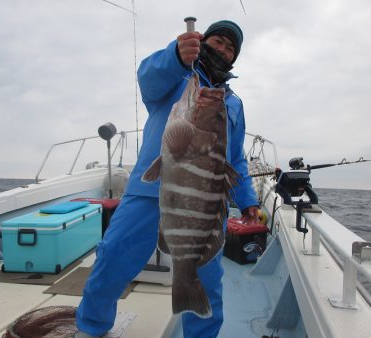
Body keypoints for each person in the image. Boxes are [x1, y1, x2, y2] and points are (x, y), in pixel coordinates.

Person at [75, 20, 260, 338]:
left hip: (206, 199)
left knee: (208, 278)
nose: (223, 49)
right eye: (217, 41)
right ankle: (92, 327)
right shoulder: (177, 76)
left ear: (235, 59)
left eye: (230, 48)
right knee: (114, 255)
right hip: (149, 189)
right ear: (202, 41)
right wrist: (176, 55)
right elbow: (148, 76)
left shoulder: (233, 103)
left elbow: (236, 157)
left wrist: (247, 201)